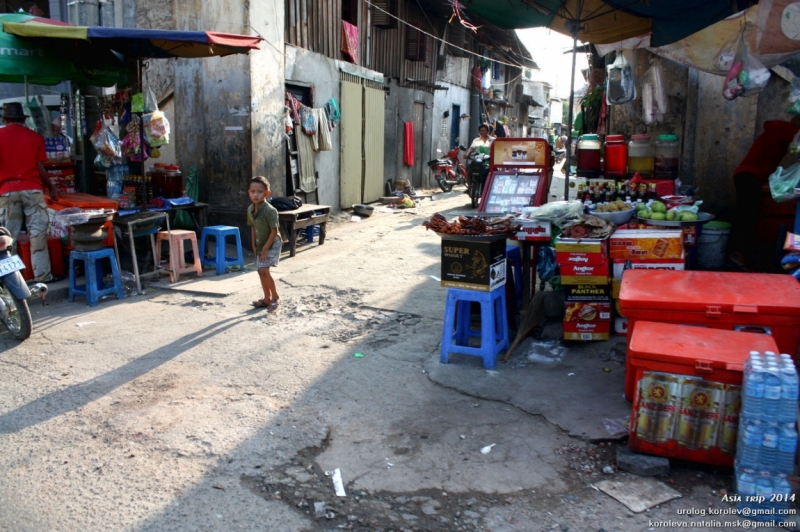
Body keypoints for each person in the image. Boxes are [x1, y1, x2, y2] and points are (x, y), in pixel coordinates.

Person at [729, 116, 800, 271]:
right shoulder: (786, 130)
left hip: (747, 175)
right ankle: (737, 255)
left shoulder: (778, 127)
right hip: (750, 176)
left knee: (747, 214)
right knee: (747, 216)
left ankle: (740, 254)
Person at [0, 102, 59, 283]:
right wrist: (51, 187)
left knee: (8, 237)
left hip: (7, 190)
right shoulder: (35, 137)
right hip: (32, 190)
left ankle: (12, 280)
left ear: (5, 119)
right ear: (23, 120)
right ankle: (43, 277)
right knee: (38, 233)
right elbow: (39, 167)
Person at [247, 176, 282, 311]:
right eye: (253, 191)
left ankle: (275, 298)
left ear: (267, 193)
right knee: (260, 271)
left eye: (260, 191)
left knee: (264, 270)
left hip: (272, 243)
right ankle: (266, 299)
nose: (256, 194)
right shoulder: (250, 209)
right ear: (249, 192)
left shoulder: (270, 210)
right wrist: (254, 246)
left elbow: (274, 231)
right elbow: (252, 227)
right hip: (260, 243)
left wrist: (266, 249)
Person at [464, 123, 494, 193]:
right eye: (481, 131)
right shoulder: (476, 140)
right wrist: (467, 154)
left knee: (489, 173)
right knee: (469, 170)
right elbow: (472, 148)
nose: (482, 132)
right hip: (477, 159)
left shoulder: (493, 140)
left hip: (489, 161)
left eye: (484, 131)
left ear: (487, 131)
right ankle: (469, 187)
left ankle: (487, 189)